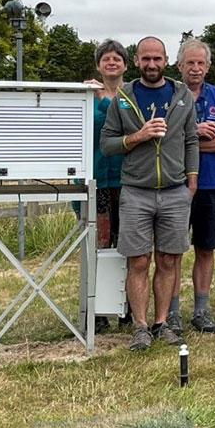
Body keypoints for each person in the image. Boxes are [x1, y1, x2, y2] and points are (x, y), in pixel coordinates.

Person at [101, 36, 199, 351]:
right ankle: (140, 327)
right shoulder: (124, 98)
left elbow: (191, 140)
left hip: (173, 191)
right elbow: (108, 144)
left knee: (168, 260)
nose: (152, 64)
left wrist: (192, 179)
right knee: (139, 261)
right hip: (137, 191)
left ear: (167, 59)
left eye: (157, 59)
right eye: (146, 59)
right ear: (138, 60)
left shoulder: (181, 95)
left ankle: (162, 323)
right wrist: (138, 137)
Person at [174, 38, 215, 335]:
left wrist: (187, 144)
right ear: (179, 66)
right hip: (174, 184)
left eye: (201, 63)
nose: (195, 68)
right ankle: (171, 312)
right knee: (170, 252)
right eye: (190, 63)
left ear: (209, 66)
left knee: (205, 248)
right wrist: (194, 133)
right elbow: (163, 140)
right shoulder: (170, 96)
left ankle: (201, 311)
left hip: (212, 183)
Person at [87, 39, 127, 332]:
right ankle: (97, 309)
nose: (111, 63)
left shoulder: (131, 95)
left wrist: (104, 100)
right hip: (98, 180)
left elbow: (126, 123)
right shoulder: (86, 94)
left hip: (127, 181)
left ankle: (125, 305)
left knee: (127, 243)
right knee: (98, 245)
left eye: (117, 58)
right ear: (99, 65)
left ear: (125, 64)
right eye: (106, 59)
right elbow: (89, 127)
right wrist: (98, 98)